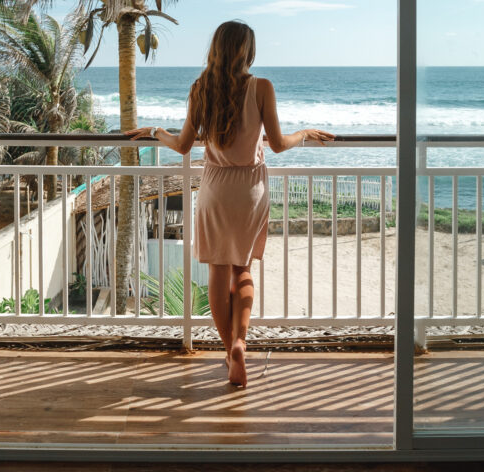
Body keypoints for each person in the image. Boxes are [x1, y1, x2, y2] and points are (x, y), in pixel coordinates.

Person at [126, 21, 333, 387]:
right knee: (244, 269)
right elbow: (279, 143)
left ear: (217, 48)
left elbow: (184, 145)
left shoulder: (200, 89)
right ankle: (241, 341)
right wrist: (306, 132)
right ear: (247, 51)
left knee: (218, 274)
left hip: (215, 189)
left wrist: (155, 132)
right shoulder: (261, 87)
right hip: (250, 190)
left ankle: (228, 350)